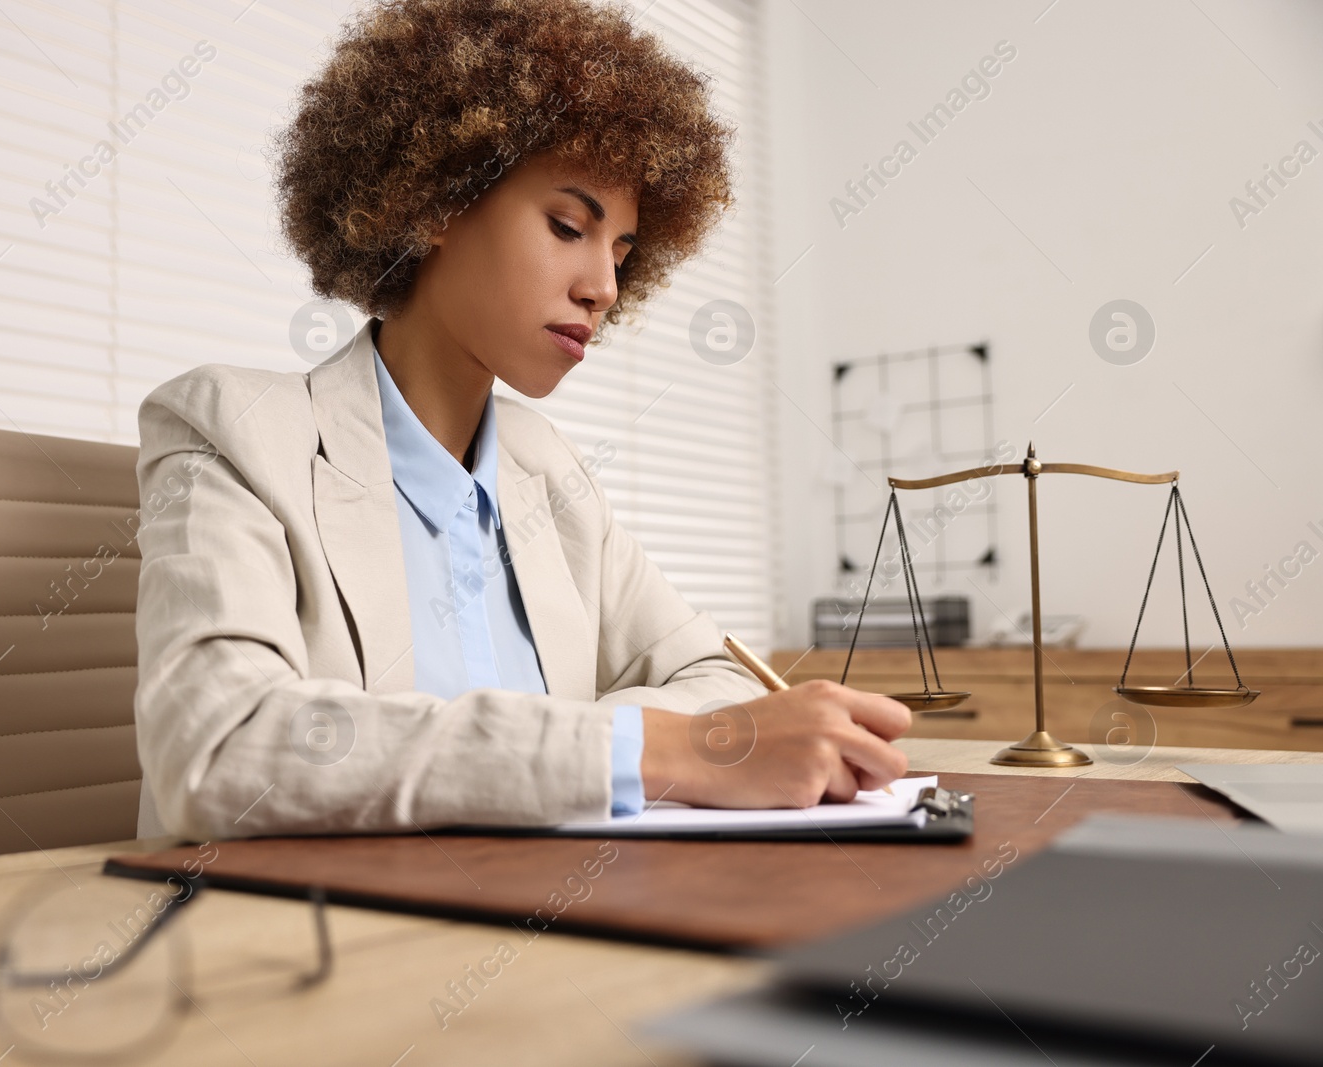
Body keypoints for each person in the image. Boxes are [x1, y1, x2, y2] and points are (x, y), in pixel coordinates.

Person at [133, 0, 909, 839]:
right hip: (311, 946)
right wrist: (657, 749)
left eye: (621, 254)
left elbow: (715, 674)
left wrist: (653, 740)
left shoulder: (549, 473)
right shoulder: (234, 430)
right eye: (569, 227)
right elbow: (216, 747)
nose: (603, 289)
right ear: (433, 199)